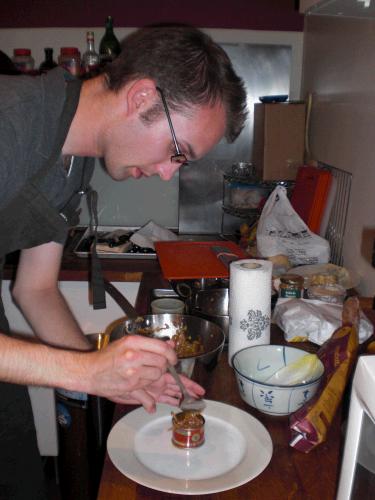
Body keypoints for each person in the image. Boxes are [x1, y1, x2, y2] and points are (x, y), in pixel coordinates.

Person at [0, 25, 247, 499]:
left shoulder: (73, 157)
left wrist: (104, 375)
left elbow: (34, 287)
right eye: (178, 154)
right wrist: (84, 373)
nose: (166, 173)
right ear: (139, 98)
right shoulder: (10, 123)